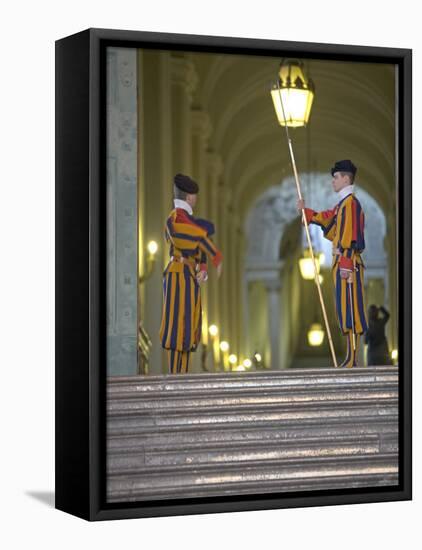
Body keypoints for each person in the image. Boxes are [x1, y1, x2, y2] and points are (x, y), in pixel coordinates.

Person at [297, 159, 368, 368]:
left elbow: (350, 235)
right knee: (344, 310)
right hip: (342, 263)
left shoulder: (351, 204)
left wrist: (345, 263)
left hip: (349, 265)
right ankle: (350, 355)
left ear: (346, 178)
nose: (333, 182)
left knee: (352, 310)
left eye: (336, 178)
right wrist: (307, 213)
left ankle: (353, 357)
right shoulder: (342, 205)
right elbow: (328, 219)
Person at [159, 173, 223, 374]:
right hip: (178, 274)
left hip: (188, 276)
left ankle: (182, 376)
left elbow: (195, 243)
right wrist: (214, 254)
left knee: (188, 328)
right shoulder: (176, 218)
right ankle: (175, 377)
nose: (196, 198)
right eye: (194, 195)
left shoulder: (186, 218)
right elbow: (192, 237)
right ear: (189, 197)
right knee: (177, 328)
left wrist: (203, 267)